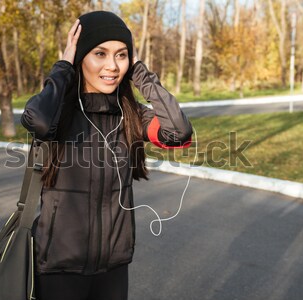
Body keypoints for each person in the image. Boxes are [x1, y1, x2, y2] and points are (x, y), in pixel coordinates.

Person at [21, 10, 193, 300]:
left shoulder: (133, 115)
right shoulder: (58, 114)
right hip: (59, 269)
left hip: (113, 268)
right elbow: (36, 120)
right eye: (100, 54)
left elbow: (178, 132)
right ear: (81, 58)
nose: (112, 65)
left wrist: (140, 73)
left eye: (121, 55)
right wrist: (64, 65)